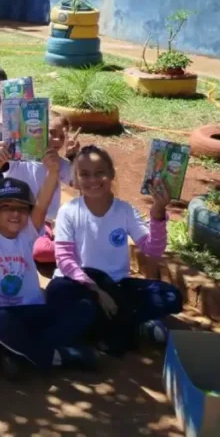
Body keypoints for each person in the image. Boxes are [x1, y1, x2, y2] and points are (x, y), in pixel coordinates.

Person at [0, 143, 97, 379]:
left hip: (30, 311)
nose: (15, 214)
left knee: (84, 310)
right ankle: (56, 356)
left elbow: (42, 203)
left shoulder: (29, 232)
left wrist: (53, 173)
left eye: (20, 208)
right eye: (6, 207)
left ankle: (14, 352)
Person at [45, 145, 183, 356]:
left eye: (100, 173)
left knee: (170, 296)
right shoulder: (69, 211)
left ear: (110, 174)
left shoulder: (124, 211)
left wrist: (157, 213)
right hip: (76, 284)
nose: (93, 180)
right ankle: (126, 323)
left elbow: (153, 249)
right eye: (85, 174)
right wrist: (97, 291)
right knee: (76, 304)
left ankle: (112, 325)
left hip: (116, 286)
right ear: (76, 178)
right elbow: (65, 262)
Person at [6, 114, 81, 263]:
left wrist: (74, 157)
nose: (58, 140)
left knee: (40, 251)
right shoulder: (17, 158)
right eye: (52, 133)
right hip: (13, 218)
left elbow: (78, 183)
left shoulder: (60, 163)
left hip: (42, 225)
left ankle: (77, 248)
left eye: (62, 137)